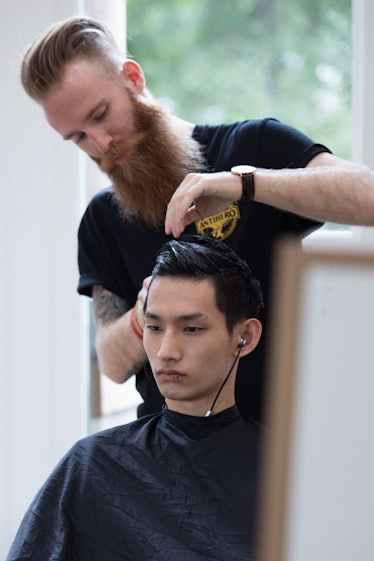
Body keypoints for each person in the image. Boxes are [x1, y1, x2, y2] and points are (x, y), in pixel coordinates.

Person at [20, 16, 374, 422]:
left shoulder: (253, 146)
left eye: (100, 115)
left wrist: (245, 185)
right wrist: (146, 312)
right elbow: (113, 364)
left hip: (276, 444)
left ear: (132, 78)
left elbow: (368, 196)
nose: (100, 144)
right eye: (78, 137)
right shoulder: (102, 220)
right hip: (168, 461)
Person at [6, 235, 264, 561]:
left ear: (244, 337)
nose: (166, 352)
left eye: (192, 330)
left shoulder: (287, 473)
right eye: (154, 328)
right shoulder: (93, 467)